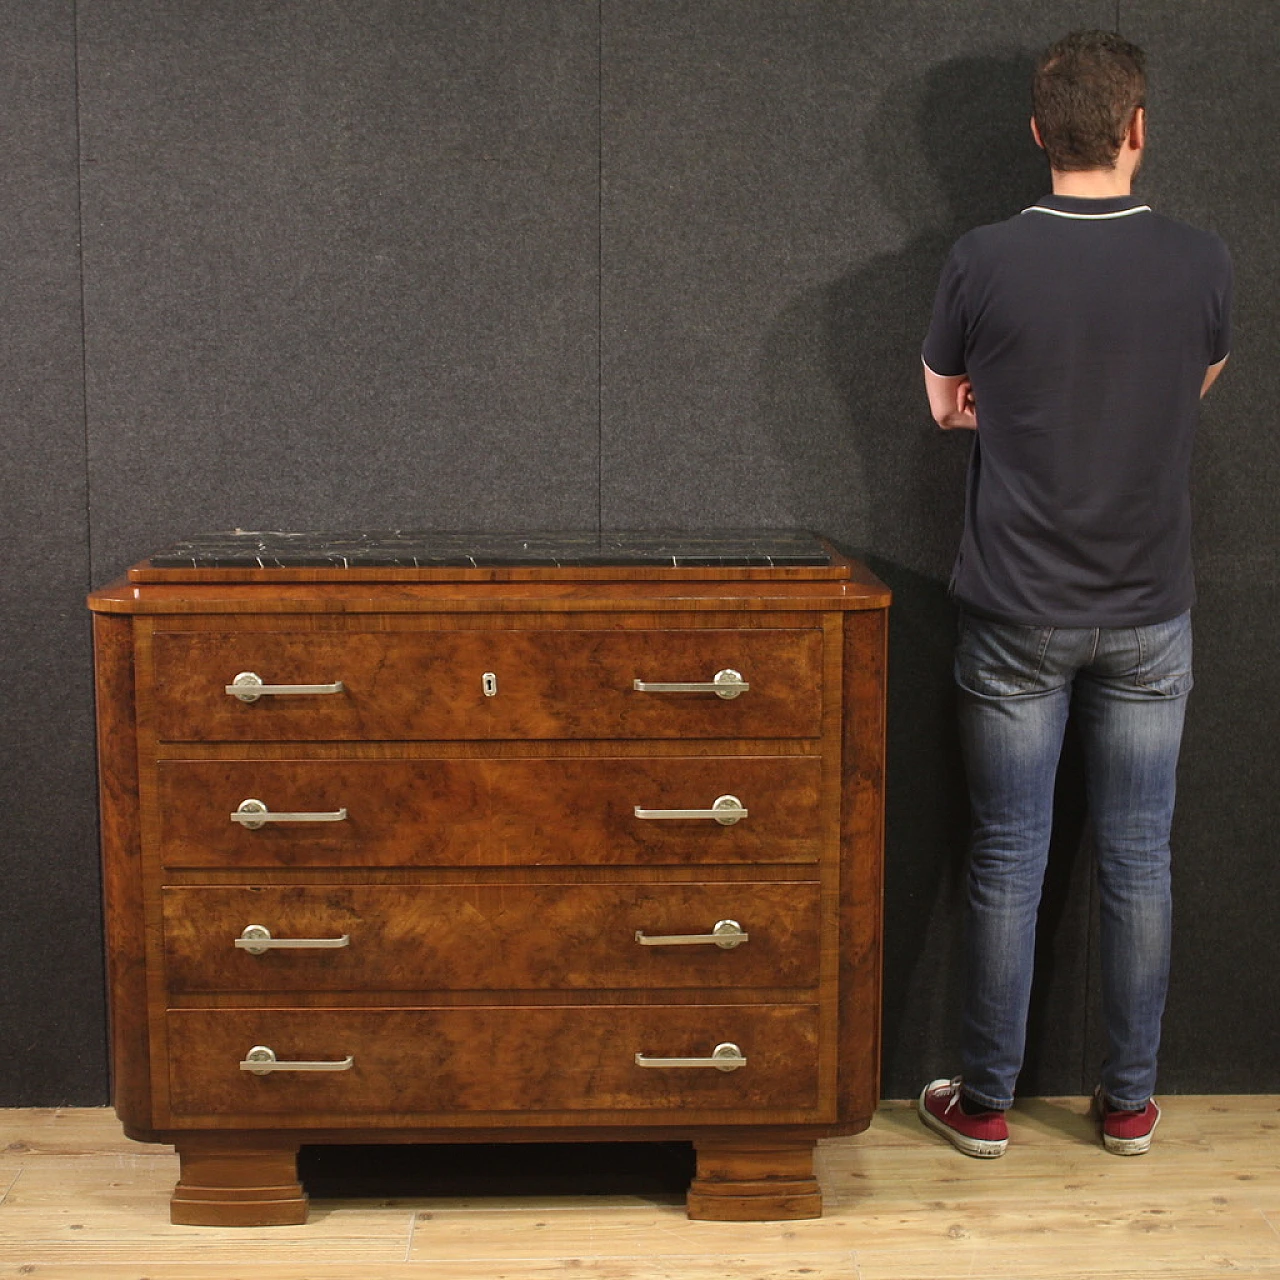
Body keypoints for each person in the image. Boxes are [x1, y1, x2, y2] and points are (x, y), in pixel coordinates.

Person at [915, 29, 1232, 1159]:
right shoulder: (1198, 259)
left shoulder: (981, 258)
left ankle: (986, 1101)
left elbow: (946, 405)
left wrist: (1008, 400)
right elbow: (1194, 381)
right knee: (1138, 853)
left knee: (1007, 853)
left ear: (1039, 132)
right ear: (1137, 130)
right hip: (1149, 607)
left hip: (1013, 606)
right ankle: (1130, 1101)